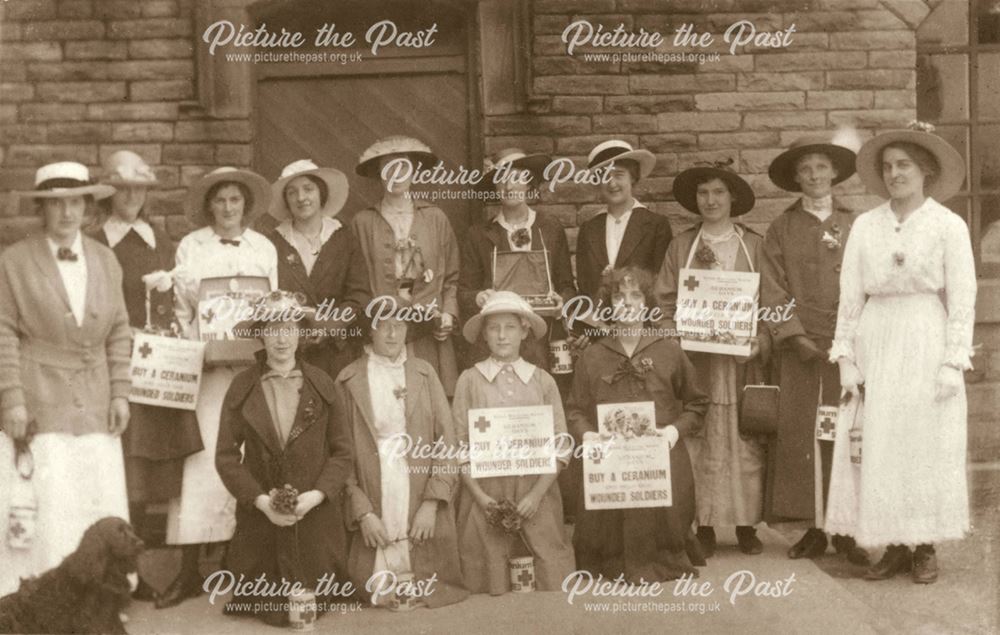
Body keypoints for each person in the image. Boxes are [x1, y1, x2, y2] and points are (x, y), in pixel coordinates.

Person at [826, 123, 975, 584]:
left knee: (925, 442)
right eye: (888, 167)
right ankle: (891, 544)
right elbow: (850, 294)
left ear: (925, 170)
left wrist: (953, 360)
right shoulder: (866, 226)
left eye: (904, 165)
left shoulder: (948, 225)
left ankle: (924, 544)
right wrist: (847, 355)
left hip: (925, 336)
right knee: (881, 441)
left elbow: (964, 297)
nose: (895, 174)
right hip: (878, 335)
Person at [0, 161, 130, 596]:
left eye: (75, 202)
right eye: (56, 204)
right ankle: (37, 596)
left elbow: (119, 330)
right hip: (40, 399)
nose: (67, 212)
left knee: (94, 497)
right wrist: (12, 399)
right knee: (49, 500)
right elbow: (3, 333)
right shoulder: (14, 262)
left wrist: (121, 394)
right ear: (42, 210)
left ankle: (97, 595)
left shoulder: (106, 260)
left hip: (95, 399)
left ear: (87, 207)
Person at [158, 167, 279, 608]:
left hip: (249, 371)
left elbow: (272, 304)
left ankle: (235, 563)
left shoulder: (263, 247)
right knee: (203, 461)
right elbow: (183, 308)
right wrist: (198, 351)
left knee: (243, 458)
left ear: (246, 205)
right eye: (220, 200)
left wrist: (265, 350)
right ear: (209, 205)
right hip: (208, 374)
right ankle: (189, 570)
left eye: (235, 200)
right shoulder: (192, 246)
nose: (228, 208)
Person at [92, 151, 205, 601]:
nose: (132, 197)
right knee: (122, 468)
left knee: (149, 468)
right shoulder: (97, 241)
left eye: (139, 189)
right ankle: (118, 574)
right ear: (109, 194)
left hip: (155, 362)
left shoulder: (157, 237)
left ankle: (139, 570)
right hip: (116, 362)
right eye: (123, 189)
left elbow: (173, 302)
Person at [760, 135, 869, 565]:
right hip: (800, 347)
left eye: (822, 167)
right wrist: (795, 336)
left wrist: (854, 340)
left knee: (846, 432)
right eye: (806, 169)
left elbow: (867, 282)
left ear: (835, 173)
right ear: (796, 178)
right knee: (803, 434)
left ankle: (845, 528)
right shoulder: (781, 228)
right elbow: (772, 287)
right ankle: (812, 528)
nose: (815, 176)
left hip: (848, 347)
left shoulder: (857, 223)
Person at [216, 291, 353, 627]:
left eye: (289, 327)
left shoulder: (322, 385)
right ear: (260, 333)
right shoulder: (242, 386)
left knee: (314, 597)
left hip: (314, 519)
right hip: (261, 523)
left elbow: (343, 452)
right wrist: (262, 502)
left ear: (300, 332)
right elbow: (226, 457)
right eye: (273, 327)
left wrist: (317, 495)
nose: (281, 337)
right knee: (266, 601)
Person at [653, 160, 769, 557]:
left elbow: (771, 305)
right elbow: (663, 302)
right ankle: (702, 523)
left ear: (732, 197)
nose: (711, 200)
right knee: (698, 441)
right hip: (696, 362)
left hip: (739, 363)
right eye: (703, 193)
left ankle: (745, 524)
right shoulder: (681, 246)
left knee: (742, 441)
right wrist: (676, 338)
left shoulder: (753, 245)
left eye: (719, 192)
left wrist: (759, 341)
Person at [567, 267, 709, 582]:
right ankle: (611, 556)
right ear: (609, 304)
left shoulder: (669, 349)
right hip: (610, 464)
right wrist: (588, 435)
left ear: (646, 303)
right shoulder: (593, 355)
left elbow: (698, 403)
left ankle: (664, 555)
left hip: (660, 458)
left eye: (635, 296)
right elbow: (575, 409)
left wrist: (672, 432)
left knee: (665, 510)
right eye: (619, 296)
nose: (627, 303)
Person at [336, 300, 468, 608]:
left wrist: (432, 503)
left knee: (426, 574)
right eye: (384, 325)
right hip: (373, 483)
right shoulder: (348, 379)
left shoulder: (424, 373)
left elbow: (445, 442)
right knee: (370, 583)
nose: (392, 333)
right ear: (370, 330)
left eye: (400, 325)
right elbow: (339, 455)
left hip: (418, 483)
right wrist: (363, 512)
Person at [451, 292, 575, 594]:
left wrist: (536, 495)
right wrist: (481, 498)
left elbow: (561, 446)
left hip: (536, 493)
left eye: (510, 327)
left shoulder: (543, 380)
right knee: (486, 581)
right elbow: (458, 447)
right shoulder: (469, 380)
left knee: (549, 579)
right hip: (486, 497)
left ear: (524, 331)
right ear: (484, 334)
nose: (502, 335)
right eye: (494, 328)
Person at [353, 136, 460, 395]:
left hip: (429, 331)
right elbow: (356, 282)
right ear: (379, 173)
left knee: (427, 401)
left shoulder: (435, 218)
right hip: (384, 332)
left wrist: (448, 313)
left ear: (414, 171)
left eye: (403, 167)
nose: (396, 174)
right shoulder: (363, 222)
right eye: (388, 167)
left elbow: (452, 277)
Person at [459, 148, 576, 370]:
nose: (509, 187)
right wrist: (479, 297)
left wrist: (562, 302)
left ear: (529, 184)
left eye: (516, 178)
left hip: (545, 338)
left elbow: (567, 285)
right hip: (498, 343)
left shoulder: (550, 228)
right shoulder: (479, 235)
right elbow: (464, 292)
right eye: (502, 180)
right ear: (495, 187)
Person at [266, 159, 370, 383]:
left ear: (321, 193)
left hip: (337, 351)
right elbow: (266, 296)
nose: (301, 198)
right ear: (286, 201)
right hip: (288, 349)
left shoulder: (343, 238)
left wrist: (330, 326)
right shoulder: (272, 243)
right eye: (292, 192)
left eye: (308, 189)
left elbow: (359, 295)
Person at [575, 140, 672, 302]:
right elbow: (585, 285)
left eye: (619, 175)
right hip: (599, 324)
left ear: (632, 177)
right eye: (604, 177)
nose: (612, 183)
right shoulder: (589, 229)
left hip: (642, 320)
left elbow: (661, 282)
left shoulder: (655, 225)